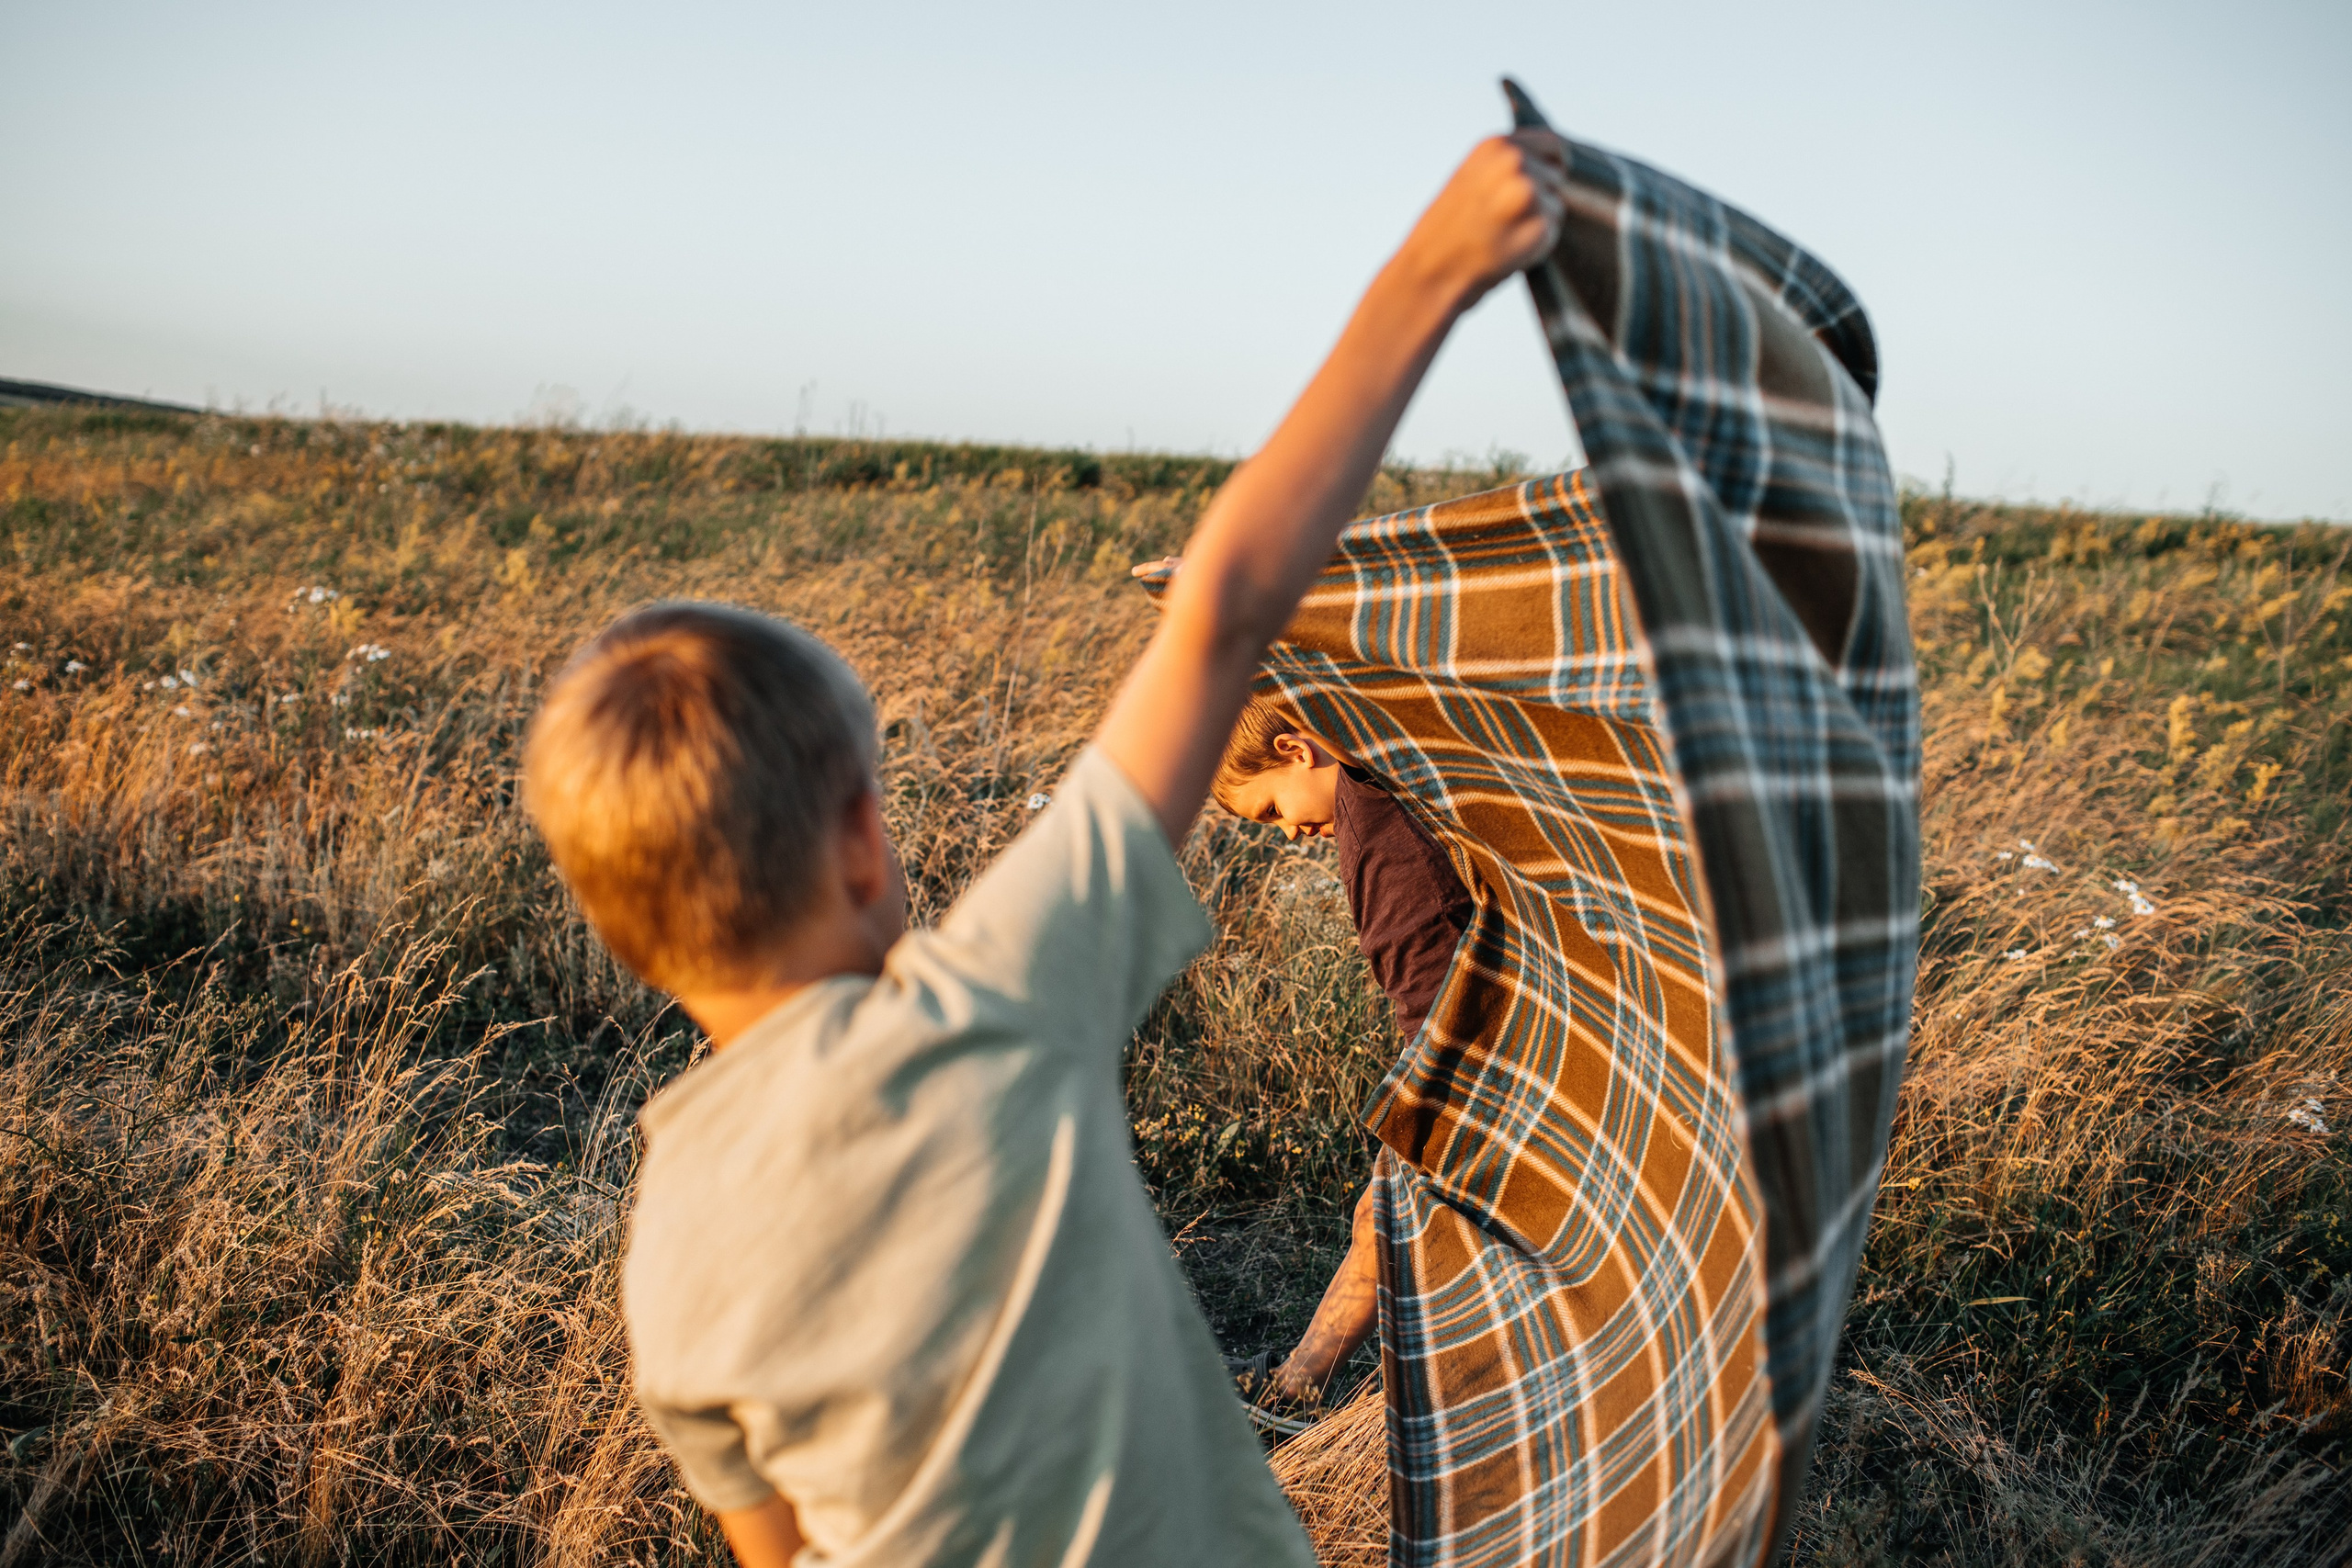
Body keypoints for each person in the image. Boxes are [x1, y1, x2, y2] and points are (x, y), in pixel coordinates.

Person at [518, 130, 1571, 1568]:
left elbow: (779, 1551)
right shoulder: (993, 1005)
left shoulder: (669, 1256)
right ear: (864, 841)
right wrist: (1433, 271)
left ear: (619, 928)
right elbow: (1226, 605)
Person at [1214, 702, 1471, 1415]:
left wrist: (1417, 1111)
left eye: (1272, 810)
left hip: (1471, 1061)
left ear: (1296, 750)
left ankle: (1296, 1393)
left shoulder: (1379, 836)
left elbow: (1430, 981)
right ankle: (1297, 1383)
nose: (1288, 832)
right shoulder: (1381, 777)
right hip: (1481, 1044)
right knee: (1378, 1214)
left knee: (1387, 1214)